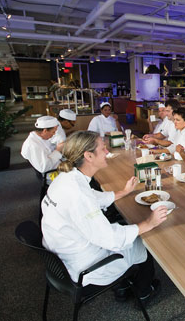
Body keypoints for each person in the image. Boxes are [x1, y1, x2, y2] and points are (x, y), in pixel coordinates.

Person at [41, 130, 167, 303]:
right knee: (145, 243)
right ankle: (143, 292)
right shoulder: (78, 194)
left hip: (64, 256)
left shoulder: (67, 178)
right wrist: (148, 223)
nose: (107, 152)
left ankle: (123, 286)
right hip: (86, 269)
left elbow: (93, 197)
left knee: (122, 223)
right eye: (103, 148)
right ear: (89, 156)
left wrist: (124, 192)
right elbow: (110, 238)